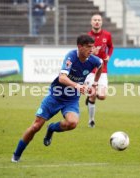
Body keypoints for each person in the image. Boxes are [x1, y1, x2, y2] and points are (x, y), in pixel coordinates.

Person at [11, 34, 103, 162]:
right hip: (55, 96)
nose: (91, 50)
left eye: (92, 47)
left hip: (71, 99)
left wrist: (95, 83)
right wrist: (77, 85)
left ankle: (51, 128)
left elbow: (100, 65)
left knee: (72, 123)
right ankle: (16, 155)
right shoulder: (71, 57)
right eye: (88, 47)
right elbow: (62, 78)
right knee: (36, 126)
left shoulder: (93, 60)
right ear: (79, 47)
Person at [85, 13, 114, 128]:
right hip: (90, 70)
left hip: (103, 70)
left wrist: (108, 56)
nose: (97, 22)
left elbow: (111, 47)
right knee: (93, 94)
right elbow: (82, 52)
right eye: (94, 20)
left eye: (99, 20)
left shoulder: (107, 35)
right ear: (91, 22)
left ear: (101, 22)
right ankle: (91, 120)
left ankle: (90, 96)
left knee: (101, 96)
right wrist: (91, 53)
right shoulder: (86, 36)